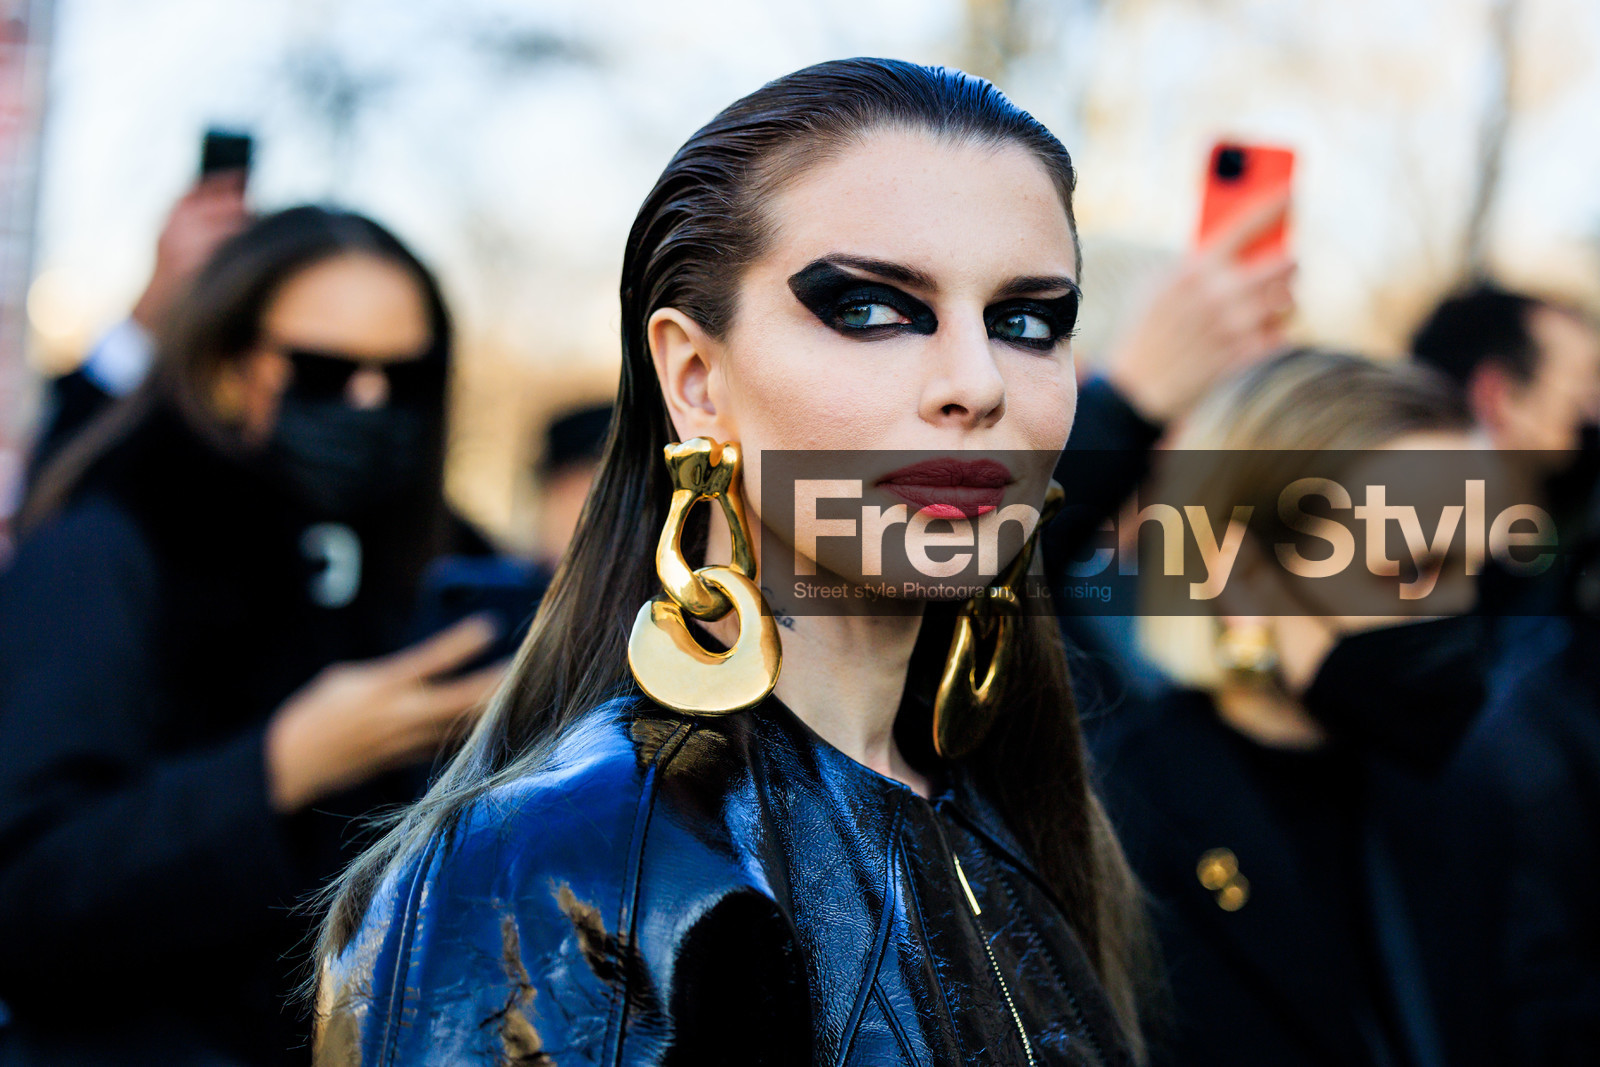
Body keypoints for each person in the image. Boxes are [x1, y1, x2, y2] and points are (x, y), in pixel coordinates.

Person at [315, 59, 1148, 1066]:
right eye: (875, 308)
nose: (975, 383)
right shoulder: (557, 862)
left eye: (1026, 321)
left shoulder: (1012, 812)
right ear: (696, 378)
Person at [0, 207, 502, 1065]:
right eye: (322, 370)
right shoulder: (109, 547)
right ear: (232, 366)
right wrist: (280, 765)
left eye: (404, 375)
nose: (367, 401)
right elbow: (29, 894)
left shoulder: (451, 562)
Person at [1090, 350, 1488, 1067]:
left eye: (1471, 571)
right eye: (1408, 569)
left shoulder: (1460, 794)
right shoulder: (1117, 825)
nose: (1454, 613)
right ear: (1243, 578)